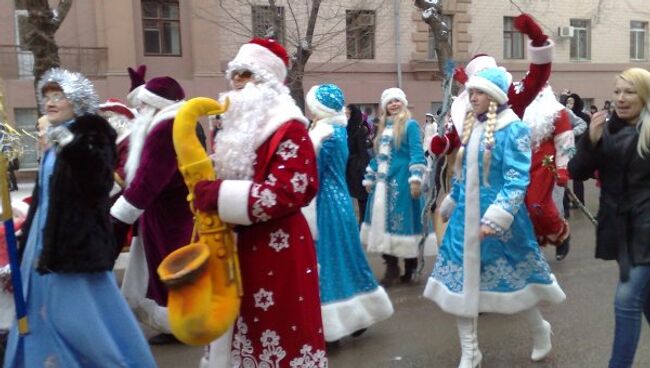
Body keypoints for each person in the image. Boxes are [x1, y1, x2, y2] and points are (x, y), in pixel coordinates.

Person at [3, 68, 155, 367]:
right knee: (41, 310)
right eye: (47, 96)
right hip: (43, 244)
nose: (51, 102)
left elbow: (97, 181)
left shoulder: (93, 134)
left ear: (77, 99)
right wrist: (25, 235)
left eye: (59, 96)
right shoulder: (53, 143)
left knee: (81, 319)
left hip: (76, 245)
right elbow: (44, 197)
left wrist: (68, 143)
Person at [194, 38, 327, 367]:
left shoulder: (289, 127)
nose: (237, 82)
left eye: (246, 74)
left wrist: (217, 195)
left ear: (267, 82)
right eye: (234, 74)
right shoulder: (228, 126)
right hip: (231, 246)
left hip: (276, 249)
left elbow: (293, 188)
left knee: (277, 333)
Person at [424, 67, 566, 367]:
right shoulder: (473, 126)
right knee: (461, 285)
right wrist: (452, 199)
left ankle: (540, 329)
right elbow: (466, 173)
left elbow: (516, 179)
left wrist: (496, 217)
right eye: (470, 92)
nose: (471, 97)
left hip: (502, 223)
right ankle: (470, 350)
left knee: (517, 284)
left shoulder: (513, 128)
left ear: (494, 96)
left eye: (477, 92)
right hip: (465, 220)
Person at [568, 67, 650, 368]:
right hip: (621, 230)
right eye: (617, 92)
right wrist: (591, 139)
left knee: (627, 300)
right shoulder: (606, 128)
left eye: (629, 92)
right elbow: (577, 171)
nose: (621, 98)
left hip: (646, 230)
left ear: (644, 96)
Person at [305, 84, 393, 342]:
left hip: (325, 205)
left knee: (328, 262)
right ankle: (359, 313)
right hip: (339, 200)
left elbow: (313, 175)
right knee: (347, 258)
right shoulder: (337, 130)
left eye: (312, 108)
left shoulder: (323, 135)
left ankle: (331, 324)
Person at [110, 72, 192, 345]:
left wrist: (119, 215)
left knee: (168, 268)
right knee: (164, 267)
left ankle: (177, 324)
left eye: (144, 104)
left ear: (156, 104)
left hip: (168, 215)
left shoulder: (163, 129)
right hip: (169, 211)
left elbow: (149, 179)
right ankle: (177, 322)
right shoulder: (170, 124)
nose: (140, 110)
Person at [430, 13, 553, 158]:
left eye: (484, 86)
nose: (475, 97)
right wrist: (444, 143)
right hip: (470, 174)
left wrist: (538, 41)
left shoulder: (511, 96)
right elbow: (455, 136)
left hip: (504, 171)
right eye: (474, 90)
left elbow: (537, 76)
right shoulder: (464, 104)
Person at [361, 87, 437, 287]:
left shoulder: (410, 125)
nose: (394, 104)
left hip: (402, 182)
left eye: (397, 101)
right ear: (385, 106)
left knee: (405, 224)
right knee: (383, 226)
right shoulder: (384, 127)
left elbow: (416, 153)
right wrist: (369, 176)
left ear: (403, 103)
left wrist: (415, 179)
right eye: (390, 102)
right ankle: (391, 267)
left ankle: (411, 268)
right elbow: (380, 157)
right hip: (383, 185)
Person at [522, 85, 575, 261]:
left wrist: (562, 168)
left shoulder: (558, 112)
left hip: (545, 164)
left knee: (537, 205)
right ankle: (533, 243)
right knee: (521, 207)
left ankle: (560, 233)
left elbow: (565, 142)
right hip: (521, 163)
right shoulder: (521, 109)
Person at [98, 98, 135, 199]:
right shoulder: (109, 141)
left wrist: (102, 193)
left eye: (108, 117)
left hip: (119, 195)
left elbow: (124, 172)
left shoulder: (128, 142)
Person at [563, 93, 590, 209]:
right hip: (565, 147)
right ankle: (566, 201)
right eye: (568, 102)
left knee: (577, 176)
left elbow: (586, 131)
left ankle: (579, 200)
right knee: (564, 174)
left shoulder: (583, 117)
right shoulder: (564, 114)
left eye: (572, 102)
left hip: (579, 147)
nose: (570, 104)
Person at [345, 104, 371, 223]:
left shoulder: (359, 130)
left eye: (348, 114)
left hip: (357, 167)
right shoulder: (345, 129)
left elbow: (362, 152)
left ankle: (363, 222)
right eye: (344, 114)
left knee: (362, 197)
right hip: (347, 166)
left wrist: (364, 170)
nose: (346, 116)